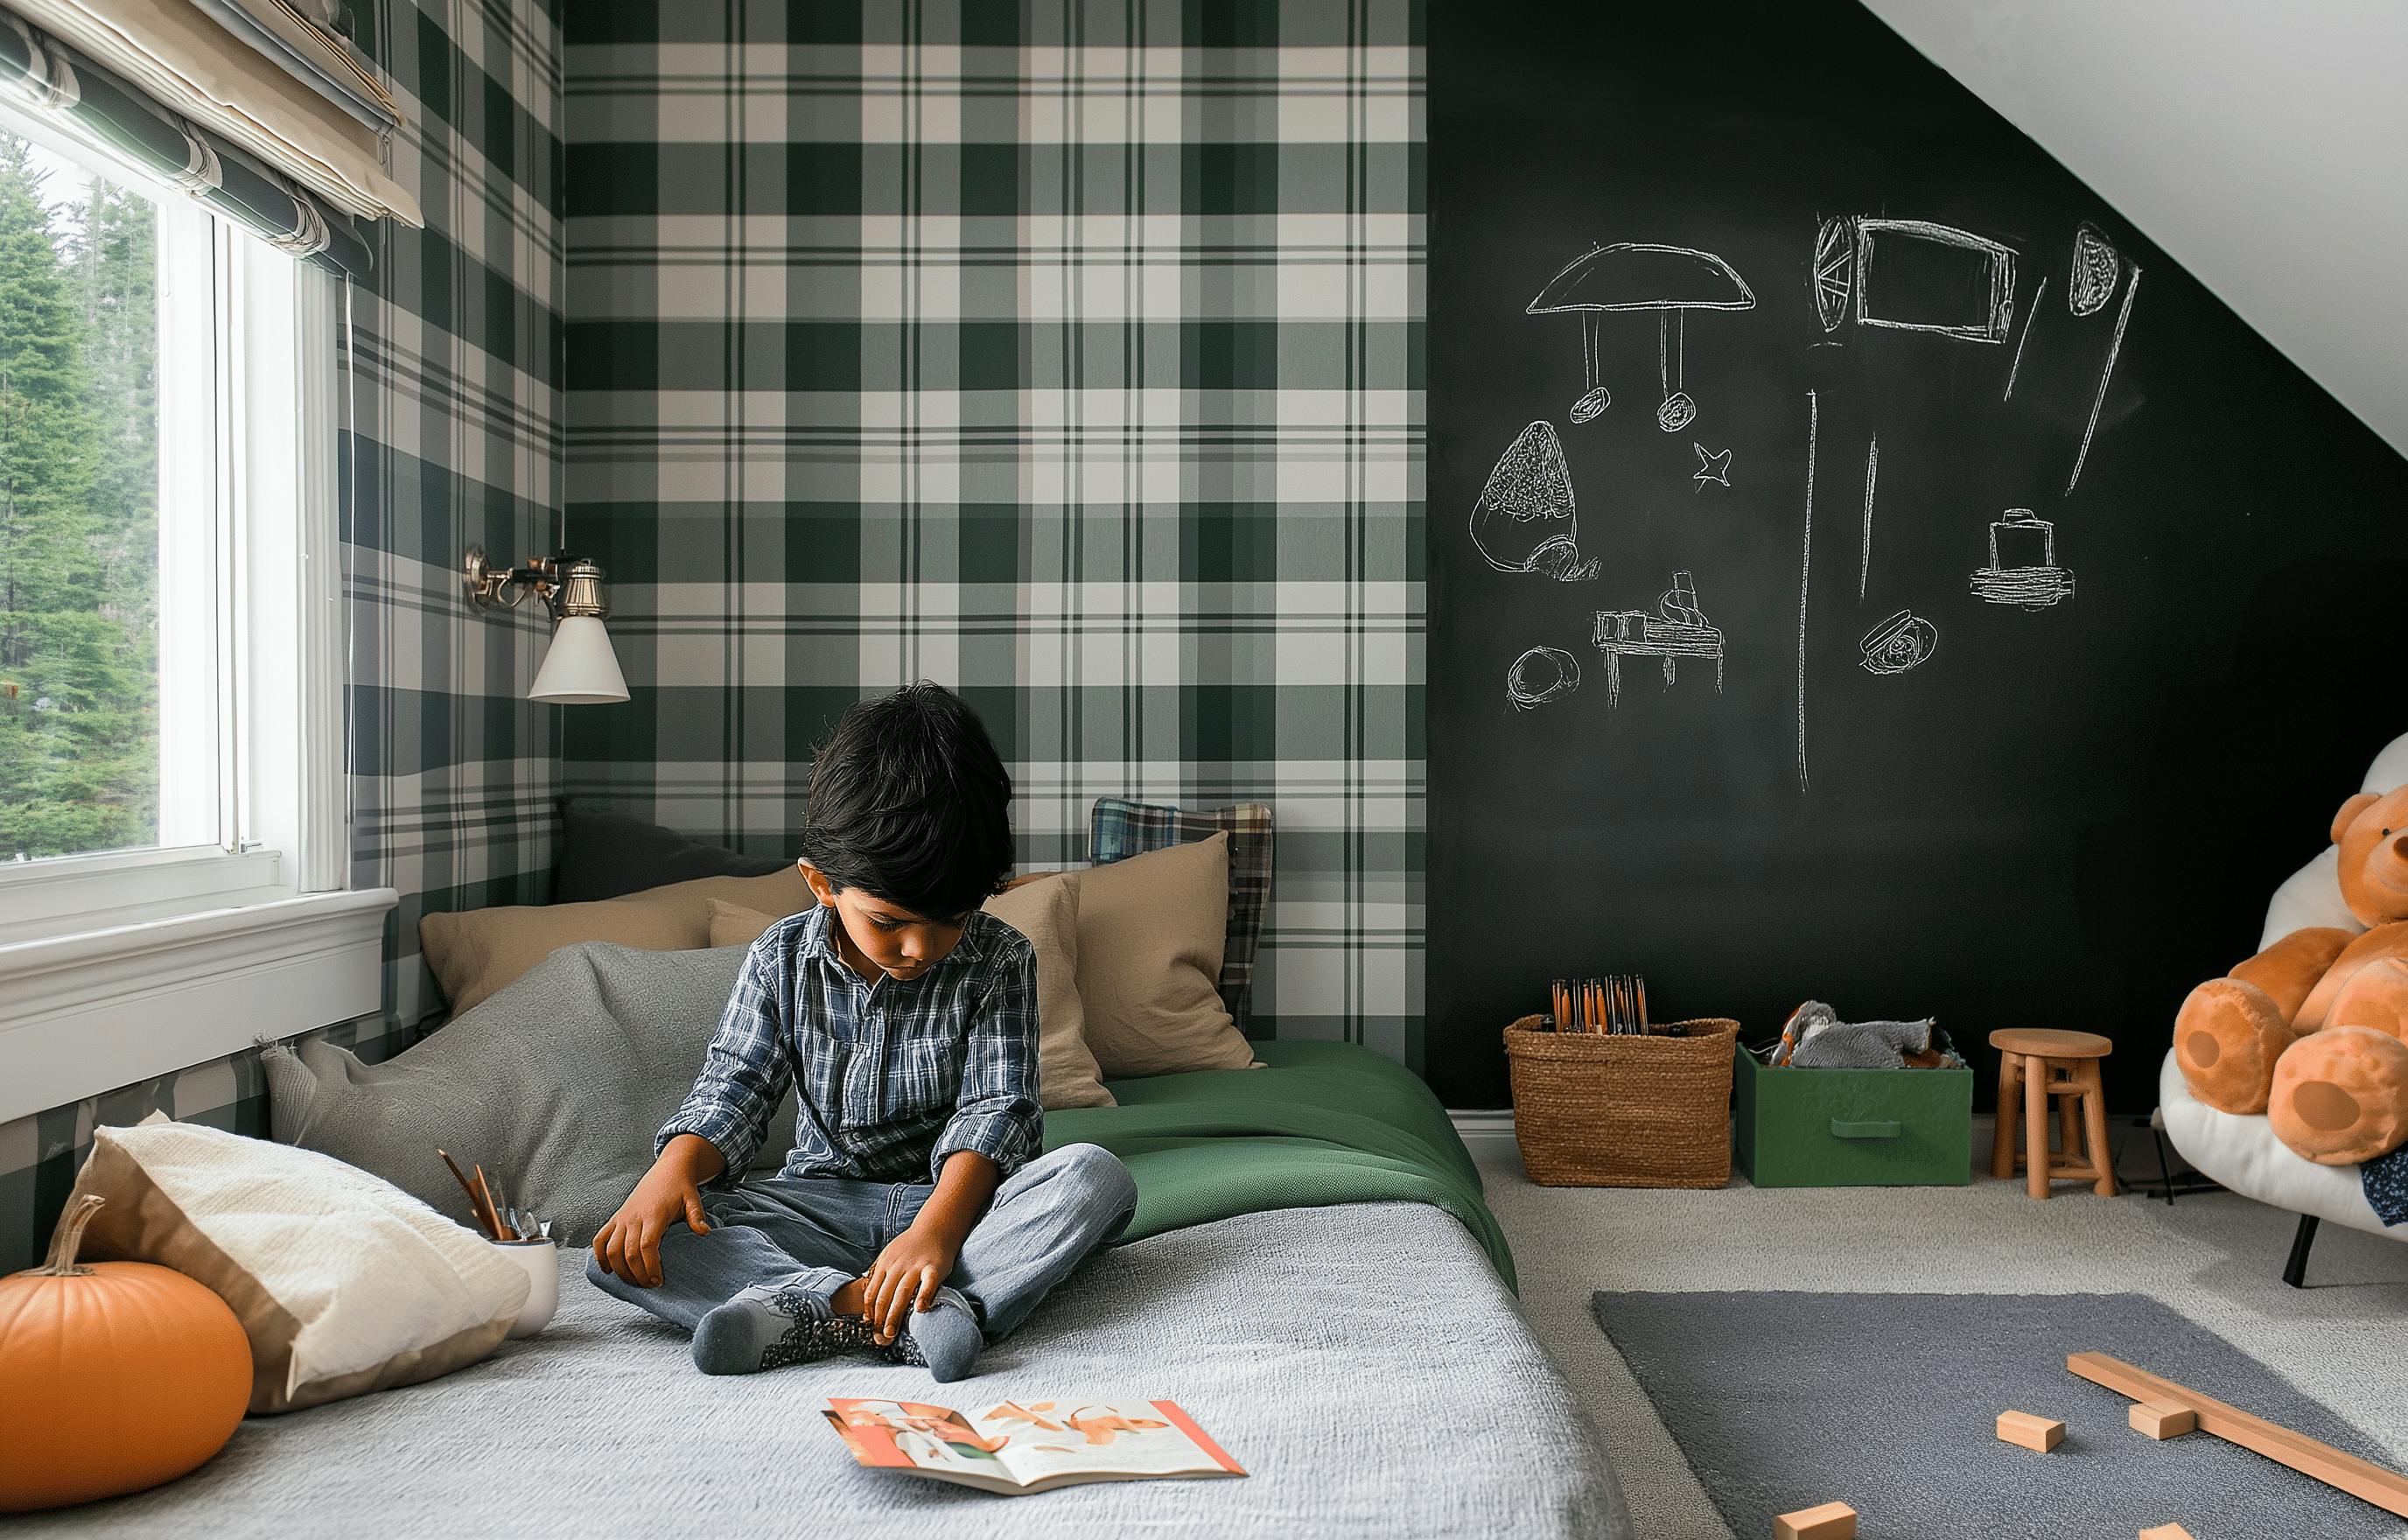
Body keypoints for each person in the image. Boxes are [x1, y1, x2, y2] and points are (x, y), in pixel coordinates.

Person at [586, 682, 1136, 1381]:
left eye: (952, 920)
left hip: (957, 1208)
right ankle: (881, 1307)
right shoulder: (780, 959)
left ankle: (855, 1298)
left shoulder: (1000, 959)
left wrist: (933, 1233)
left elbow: (997, 1112)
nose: (920, 948)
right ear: (822, 884)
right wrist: (670, 1171)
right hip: (817, 1206)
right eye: (890, 922)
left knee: (1095, 1179)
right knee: (623, 1245)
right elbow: (735, 1089)